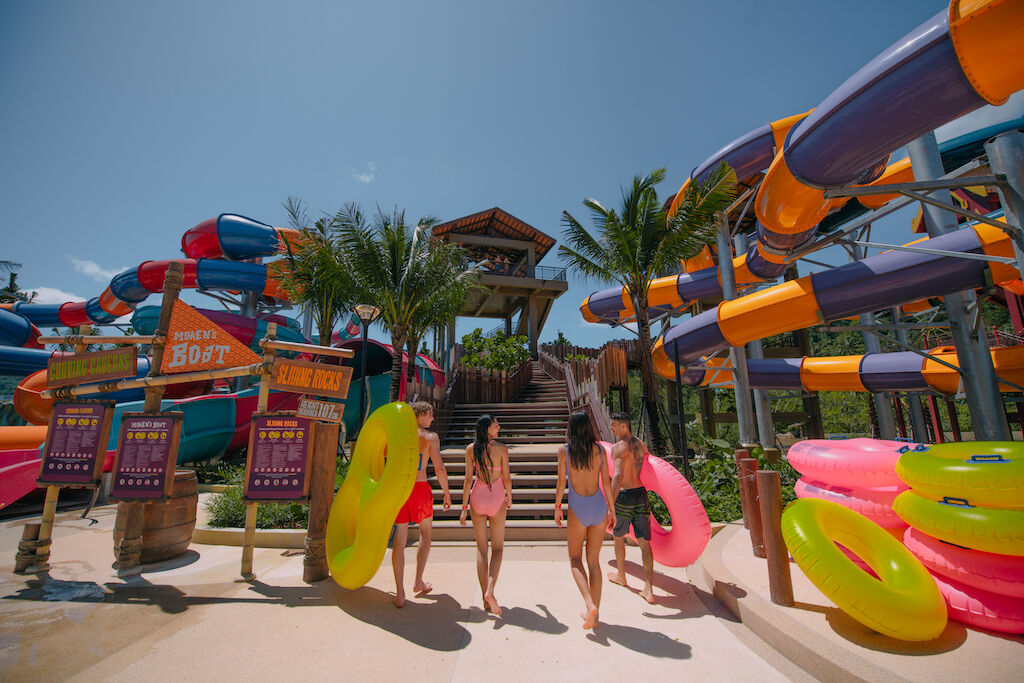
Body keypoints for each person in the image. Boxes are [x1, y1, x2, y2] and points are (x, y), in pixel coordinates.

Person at [554, 411, 616, 629]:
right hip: (598, 505)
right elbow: (607, 483)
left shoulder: (565, 451)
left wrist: (557, 507)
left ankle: (590, 605)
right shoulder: (598, 450)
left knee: (574, 560)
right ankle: (595, 617)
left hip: (578, 507)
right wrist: (612, 509)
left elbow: (561, 484)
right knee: (594, 563)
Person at [392, 401, 450, 608]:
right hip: (419, 488)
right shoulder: (430, 438)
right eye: (431, 415)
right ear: (422, 414)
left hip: (400, 489)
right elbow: (440, 468)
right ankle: (418, 580)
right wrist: (446, 493)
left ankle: (400, 593)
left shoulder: (398, 434)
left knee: (400, 540)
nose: (433, 419)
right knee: (426, 534)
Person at [459, 414, 512, 616]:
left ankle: (485, 598)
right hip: (496, 497)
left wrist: (463, 508)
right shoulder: (501, 448)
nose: (499, 426)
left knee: (482, 550)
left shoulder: (471, 449)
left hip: (477, 498)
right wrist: (510, 497)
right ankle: (490, 590)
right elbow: (506, 478)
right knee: (497, 548)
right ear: (488, 429)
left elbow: (467, 480)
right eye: (495, 423)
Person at [606, 412, 655, 604]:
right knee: (644, 542)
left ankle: (621, 575)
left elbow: (617, 476)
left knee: (618, 537)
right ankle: (649, 588)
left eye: (614, 424)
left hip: (625, 495)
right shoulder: (640, 445)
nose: (611, 427)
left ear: (624, 426)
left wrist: (611, 503)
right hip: (641, 494)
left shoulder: (618, 448)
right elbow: (650, 464)